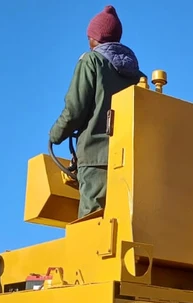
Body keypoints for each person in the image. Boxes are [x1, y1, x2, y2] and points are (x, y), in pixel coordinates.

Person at [49, 6, 143, 220]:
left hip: (96, 157)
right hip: (130, 160)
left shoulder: (91, 61)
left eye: (89, 37)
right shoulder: (137, 75)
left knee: (91, 222)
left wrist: (55, 134)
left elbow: (75, 109)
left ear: (95, 38)